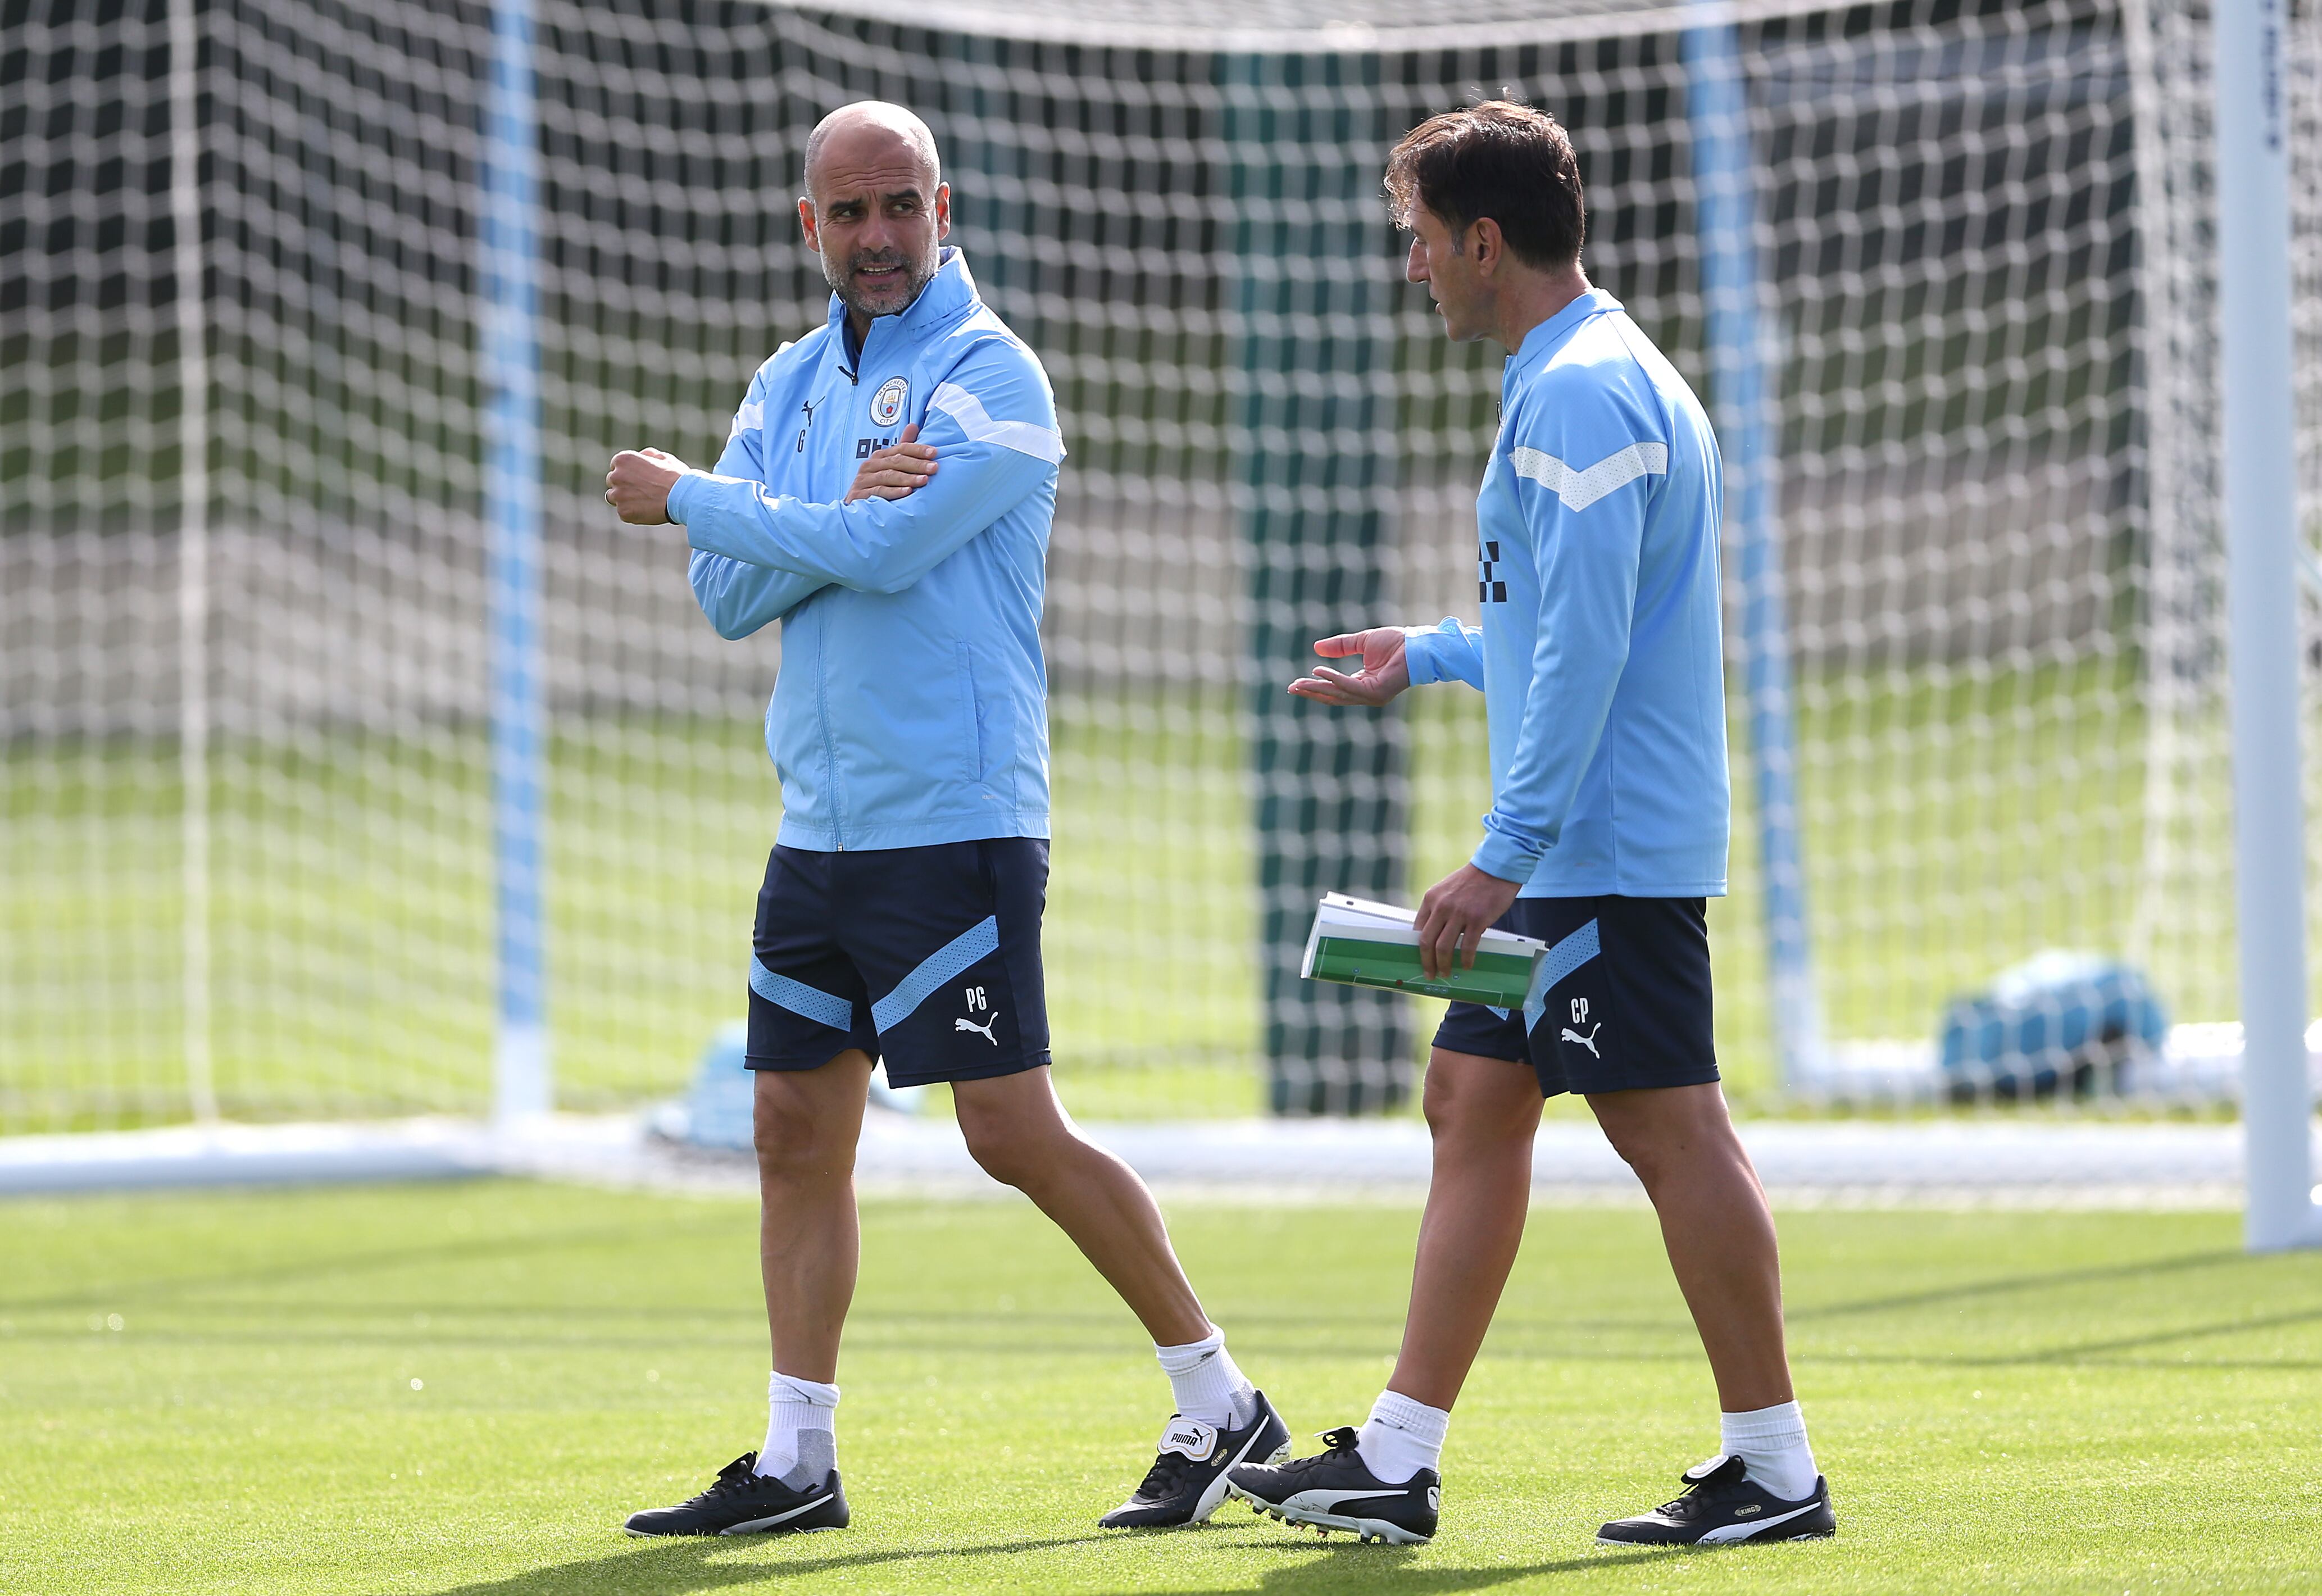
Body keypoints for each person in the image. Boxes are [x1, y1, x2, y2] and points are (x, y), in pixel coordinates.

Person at [602, 100, 1288, 1538]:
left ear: (944, 206)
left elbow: (881, 544)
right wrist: (804, 511)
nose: (875, 238)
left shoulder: (993, 378)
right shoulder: (787, 383)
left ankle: (1219, 1395)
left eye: (898, 206)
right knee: (791, 1124)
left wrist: (704, 500)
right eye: (847, 213)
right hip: (821, 826)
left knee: (1008, 1129)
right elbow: (733, 600)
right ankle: (798, 1460)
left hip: (955, 819)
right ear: (810, 226)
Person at [1224, 101, 1835, 1550]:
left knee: (1672, 1130)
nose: (1412, 268)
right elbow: (1557, 623)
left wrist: (1503, 855)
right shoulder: (1575, 370)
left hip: (1598, 855)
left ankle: (1777, 1467)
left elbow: (1587, 660)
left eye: (1422, 241)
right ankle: (1396, 1454)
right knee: (1473, 1098)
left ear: (1483, 240)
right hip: (1583, 846)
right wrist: (1428, 651)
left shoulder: (1581, 391)